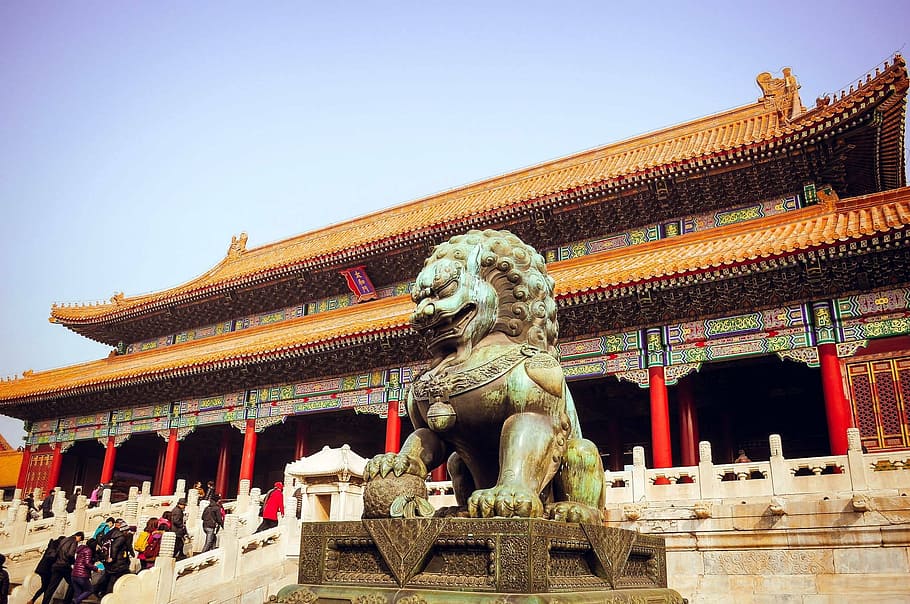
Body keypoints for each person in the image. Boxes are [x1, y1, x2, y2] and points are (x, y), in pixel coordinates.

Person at [41, 530, 83, 604]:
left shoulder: (64, 539)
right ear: (78, 536)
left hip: (56, 565)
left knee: (51, 587)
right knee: (74, 583)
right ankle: (67, 602)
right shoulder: (74, 541)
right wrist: (73, 562)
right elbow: (70, 554)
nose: (79, 541)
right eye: (80, 539)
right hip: (65, 566)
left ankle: (45, 602)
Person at [94, 519, 131, 598]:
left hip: (107, 559)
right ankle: (108, 596)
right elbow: (115, 547)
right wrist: (112, 558)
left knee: (108, 575)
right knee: (114, 578)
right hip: (117, 561)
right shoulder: (121, 536)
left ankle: (98, 590)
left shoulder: (110, 533)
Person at [26, 535, 62, 604]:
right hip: (47, 570)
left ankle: (35, 601)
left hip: (42, 569)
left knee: (45, 587)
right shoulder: (55, 548)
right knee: (46, 587)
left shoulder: (51, 546)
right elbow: (52, 558)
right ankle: (34, 600)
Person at [70, 538, 96, 604]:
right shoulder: (88, 550)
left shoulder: (81, 550)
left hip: (74, 574)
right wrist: (96, 569)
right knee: (90, 590)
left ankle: (75, 601)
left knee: (78, 592)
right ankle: (75, 601)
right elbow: (87, 563)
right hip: (81, 575)